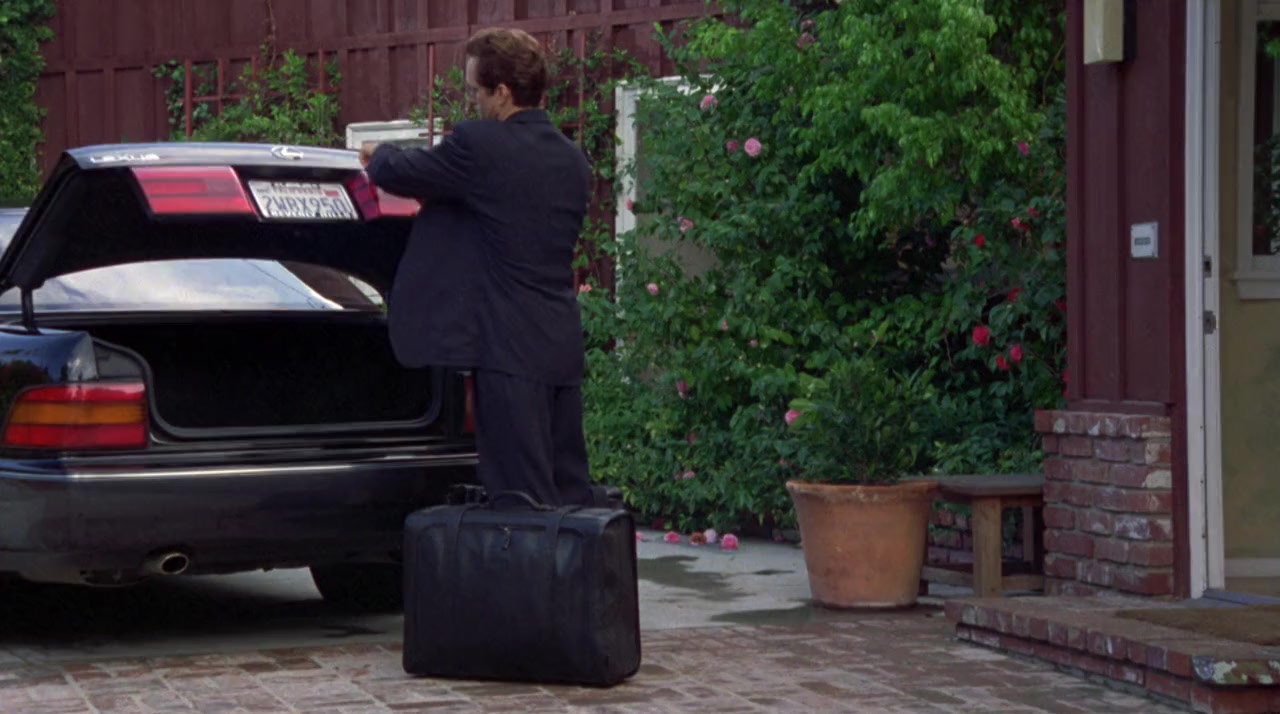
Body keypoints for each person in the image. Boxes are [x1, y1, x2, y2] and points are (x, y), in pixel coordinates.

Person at [361, 27, 594, 507]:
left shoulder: (482, 145)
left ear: (502, 92)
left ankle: (528, 560)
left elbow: (403, 172)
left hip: (508, 352)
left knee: (520, 499)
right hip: (559, 345)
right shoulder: (572, 160)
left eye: (476, 92)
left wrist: (377, 155)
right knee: (570, 496)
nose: (474, 102)